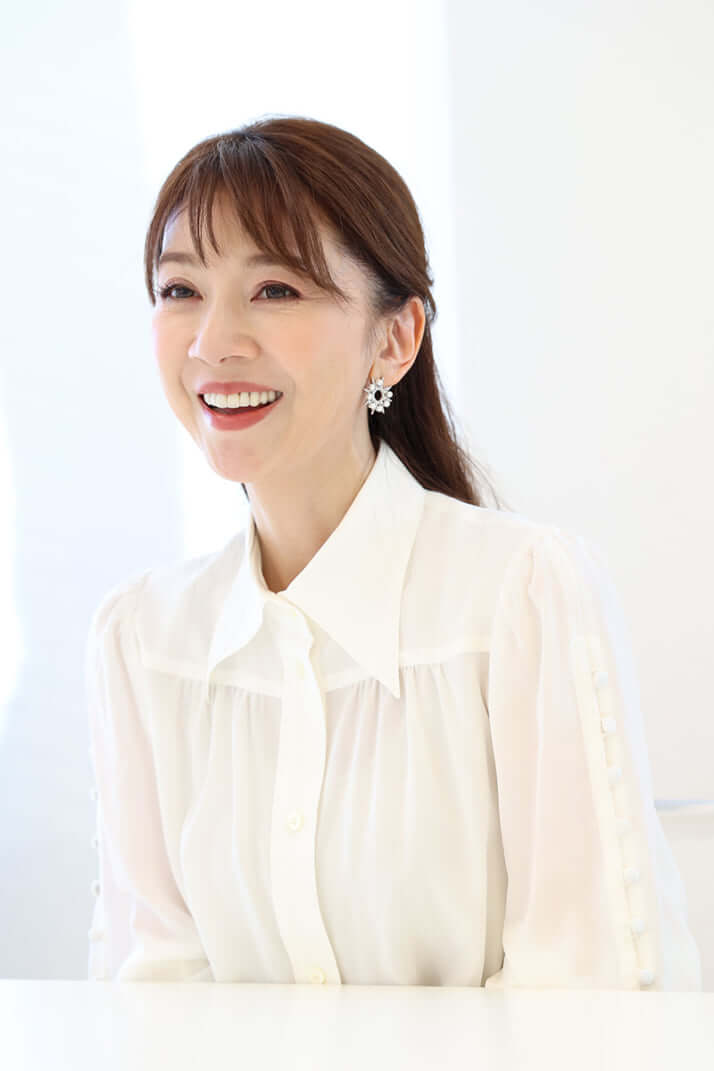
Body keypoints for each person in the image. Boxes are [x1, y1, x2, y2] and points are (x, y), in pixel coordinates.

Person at [86, 116, 702, 989]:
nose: (212, 341)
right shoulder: (143, 640)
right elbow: (151, 994)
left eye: (275, 289)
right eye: (180, 288)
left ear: (396, 338)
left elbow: (588, 993)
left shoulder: (520, 596)